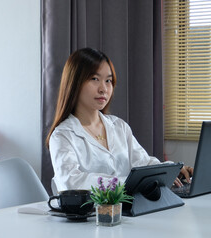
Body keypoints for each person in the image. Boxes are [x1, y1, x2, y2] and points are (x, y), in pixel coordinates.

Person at [46, 48, 193, 194]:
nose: (103, 89)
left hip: (128, 210)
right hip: (91, 215)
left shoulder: (118, 126)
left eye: (108, 80)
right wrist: (128, 183)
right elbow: (71, 182)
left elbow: (143, 162)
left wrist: (171, 170)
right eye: (94, 79)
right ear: (75, 82)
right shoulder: (62, 135)